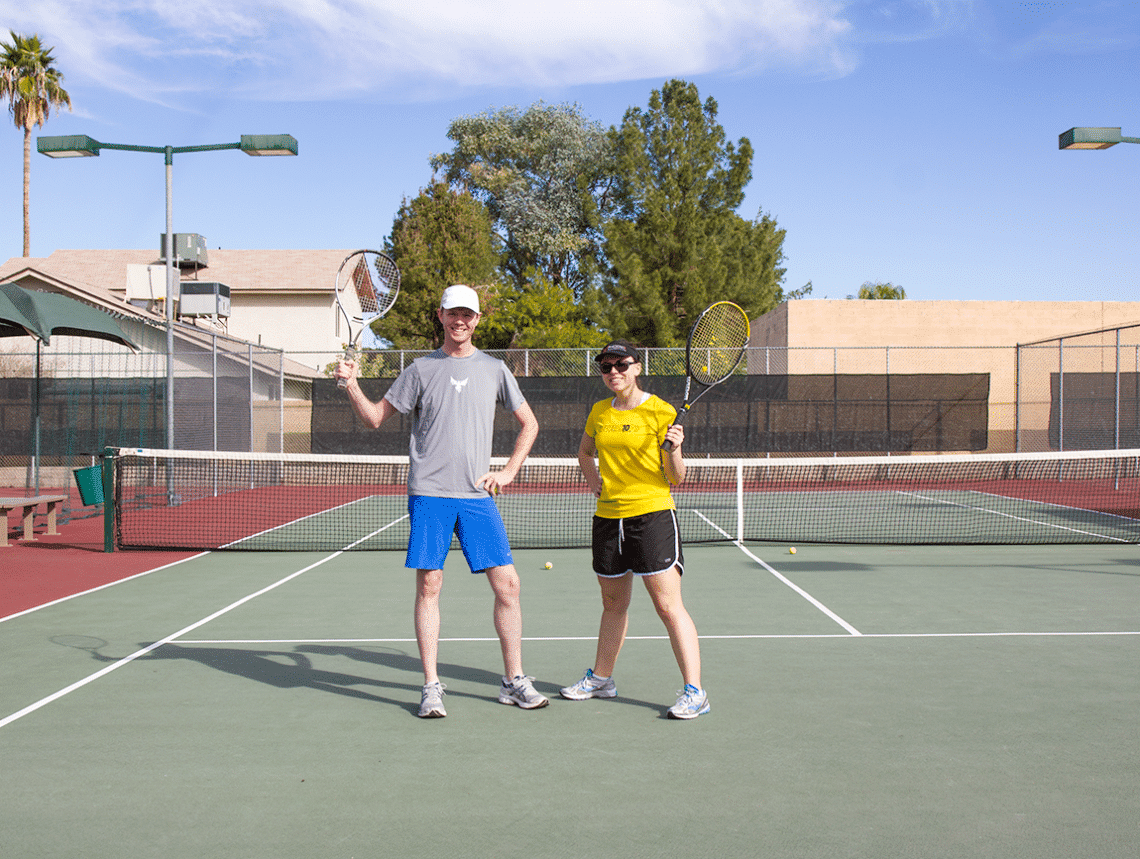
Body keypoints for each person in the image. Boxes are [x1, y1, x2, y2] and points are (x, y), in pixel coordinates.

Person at [335, 284, 548, 718]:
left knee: (508, 585)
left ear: (477, 319)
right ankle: (431, 687)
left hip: (476, 496)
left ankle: (514, 680)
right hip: (429, 493)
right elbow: (376, 418)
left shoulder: (494, 370)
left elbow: (530, 423)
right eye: (453, 313)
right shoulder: (418, 370)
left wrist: (508, 471)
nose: (460, 321)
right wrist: (352, 386)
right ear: (441, 316)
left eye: (468, 314)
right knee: (430, 584)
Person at [560, 339, 710, 719]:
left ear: (637, 367)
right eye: (606, 366)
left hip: (652, 515)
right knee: (613, 604)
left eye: (621, 365)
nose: (613, 372)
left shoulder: (660, 411)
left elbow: (676, 478)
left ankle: (695, 691)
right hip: (609, 518)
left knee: (667, 605)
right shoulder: (599, 411)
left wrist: (674, 449)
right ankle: (601, 679)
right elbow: (584, 452)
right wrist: (593, 480)